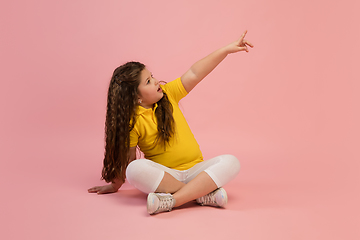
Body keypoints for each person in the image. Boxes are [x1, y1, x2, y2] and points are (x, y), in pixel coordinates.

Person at [88, 31, 253, 215]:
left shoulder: (169, 94)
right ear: (136, 98)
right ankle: (201, 194)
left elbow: (194, 72)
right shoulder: (133, 122)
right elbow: (130, 160)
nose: (156, 81)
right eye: (149, 81)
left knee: (231, 162)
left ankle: (173, 200)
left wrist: (225, 50)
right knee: (133, 169)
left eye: (152, 76)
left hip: (196, 170)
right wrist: (115, 184)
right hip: (167, 177)